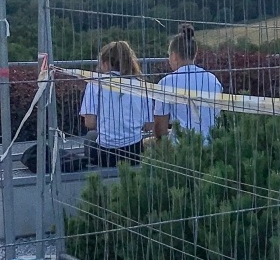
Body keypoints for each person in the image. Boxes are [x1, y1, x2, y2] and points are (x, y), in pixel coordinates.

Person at [79, 40, 152, 168]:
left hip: (107, 155)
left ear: (106, 63)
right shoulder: (141, 85)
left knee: (91, 136)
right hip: (134, 152)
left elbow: (89, 122)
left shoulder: (95, 84)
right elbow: (148, 125)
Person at [156, 23, 224, 142]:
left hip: (182, 148)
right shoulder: (213, 80)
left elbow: (160, 129)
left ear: (174, 56)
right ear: (194, 54)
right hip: (212, 145)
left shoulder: (166, 83)